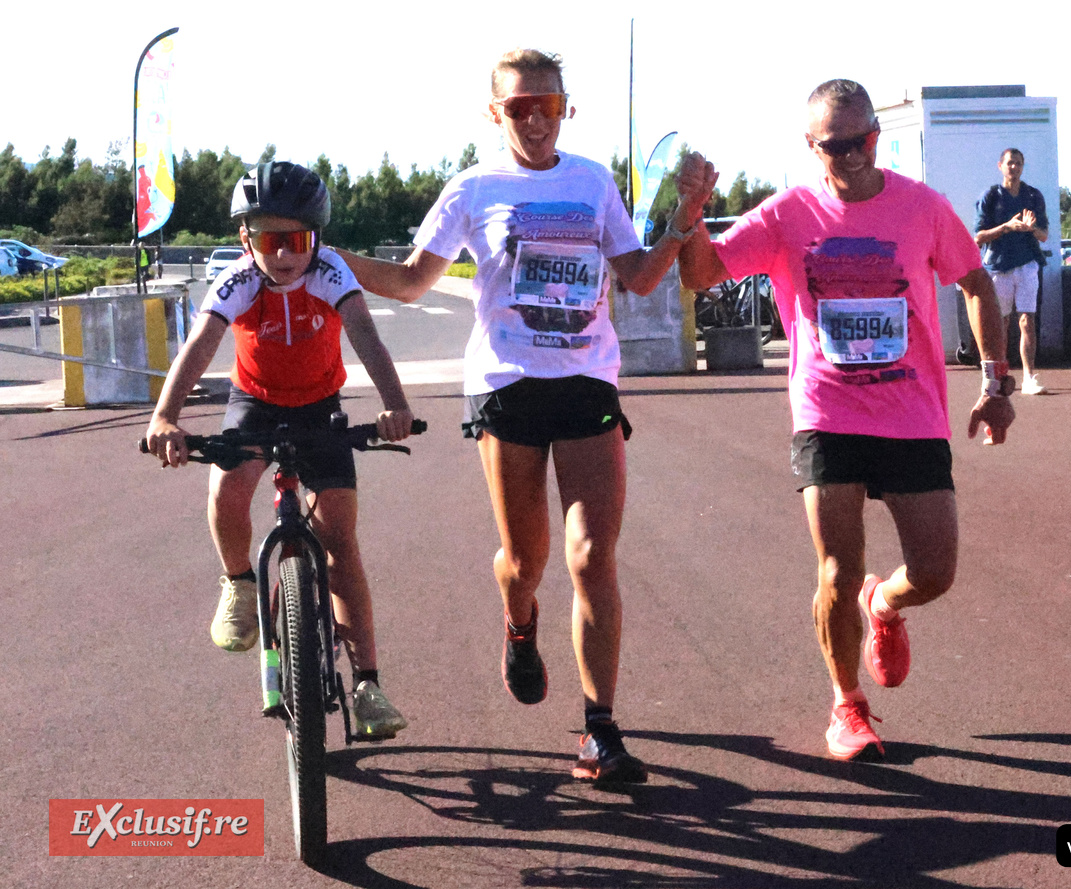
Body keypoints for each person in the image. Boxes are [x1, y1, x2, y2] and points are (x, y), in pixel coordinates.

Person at [334, 48, 714, 784]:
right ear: (494, 113)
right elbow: (414, 281)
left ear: (568, 107)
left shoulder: (593, 181)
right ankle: (518, 616)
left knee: (592, 556)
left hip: (586, 382)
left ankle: (600, 728)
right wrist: (333, 260)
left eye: (549, 104)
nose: (536, 119)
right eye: (519, 107)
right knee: (527, 562)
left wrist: (681, 224)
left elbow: (635, 279)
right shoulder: (474, 188)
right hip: (507, 385)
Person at [677, 79, 1015, 761]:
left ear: (875, 138)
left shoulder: (922, 208)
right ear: (811, 146)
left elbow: (975, 280)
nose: (855, 156)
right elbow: (701, 274)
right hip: (826, 410)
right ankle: (847, 704)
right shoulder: (786, 215)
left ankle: (883, 604)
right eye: (837, 145)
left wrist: (996, 378)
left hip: (912, 412)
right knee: (835, 566)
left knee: (936, 570)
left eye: (864, 141)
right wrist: (689, 214)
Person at [144, 161, 414, 740]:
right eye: (269, 240)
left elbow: (365, 333)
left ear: (315, 238)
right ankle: (240, 583)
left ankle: (367, 684)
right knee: (226, 488)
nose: (284, 255)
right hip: (257, 402)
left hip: (320, 405)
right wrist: (165, 416)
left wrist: (395, 404)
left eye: (296, 240)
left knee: (340, 538)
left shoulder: (331, 271)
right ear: (247, 239)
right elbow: (200, 344)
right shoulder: (238, 279)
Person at [974, 148, 1049, 395]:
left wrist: (1030, 229)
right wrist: (1006, 227)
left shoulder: (1033, 195)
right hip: (998, 267)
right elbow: (978, 237)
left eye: (1018, 164)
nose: (1013, 168)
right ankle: (1002, 376)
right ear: (1000, 166)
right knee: (1001, 323)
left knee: (1027, 320)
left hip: (1027, 264)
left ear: (1022, 166)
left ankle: (1029, 377)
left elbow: (1044, 235)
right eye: (1009, 163)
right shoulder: (991, 196)